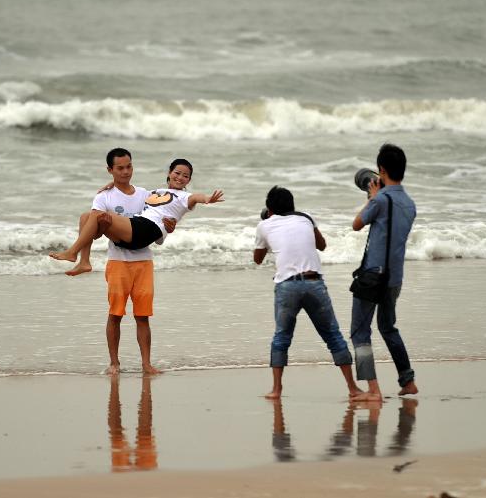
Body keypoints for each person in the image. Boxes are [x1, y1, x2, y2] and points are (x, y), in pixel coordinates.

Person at [254, 185, 362, 400]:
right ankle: (353, 389)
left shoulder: (264, 225)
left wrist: (268, 227)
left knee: (281, 338)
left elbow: (257, 259)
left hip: (287, 285)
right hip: (314, 283)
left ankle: (276, 390)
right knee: (333, 336)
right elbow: (322, 245)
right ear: (292, 205)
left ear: (270, 208)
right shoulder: (306, 218)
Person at [49, 158, 224, 266]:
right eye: (177, 173)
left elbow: (197, 197)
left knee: (97, 216)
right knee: (86, 216)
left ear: (189, 180)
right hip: (132, 235)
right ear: (169, 173)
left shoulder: (184, 197)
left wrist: (208, 198)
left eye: (185, 176)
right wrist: (112, 184)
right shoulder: (153, 192)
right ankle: (84, 262)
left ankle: (73, 252)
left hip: (147, 229)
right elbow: (131, 192)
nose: (180, 177)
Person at [350, 143, 418, 402]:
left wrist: (371, 197)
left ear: (381, 170)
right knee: (388, 327)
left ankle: (373, 390)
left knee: (360, 332)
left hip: (372, 277)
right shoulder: (410, 204)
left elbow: (356, 224)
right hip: (394, 278)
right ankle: (408, 380)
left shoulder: (379, 199)